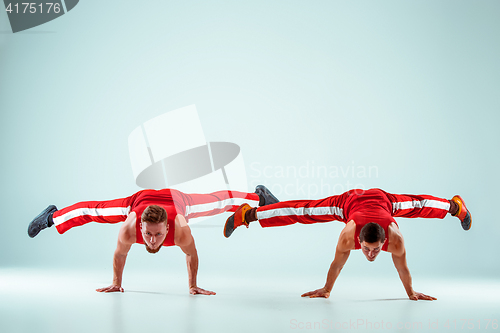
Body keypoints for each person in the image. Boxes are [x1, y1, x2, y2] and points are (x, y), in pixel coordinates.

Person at [223, 188, 471, 301]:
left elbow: (402, 269)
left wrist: (411, 293)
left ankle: (455, 205)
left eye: (375, 249)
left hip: (385, 201)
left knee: (417, 205)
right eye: (366, 248)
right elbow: (337, 264)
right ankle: (250, 213)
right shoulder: (347, 235)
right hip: (350, 202)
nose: (371, 254)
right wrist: (326, 288)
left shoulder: (395, 239)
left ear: (385, 241)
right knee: (305, 211)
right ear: (358, 241)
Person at [28, 185, 279, 295]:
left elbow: (191, 254)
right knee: (95, 211)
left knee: (219, 202)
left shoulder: (180, 228)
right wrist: (116, 282)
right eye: (147, 234)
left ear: (168, 227)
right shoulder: (129, 228)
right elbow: (120, 254)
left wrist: (192, 285)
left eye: (158, 234)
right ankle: (52, 217)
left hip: (176, 199)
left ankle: (260, 197)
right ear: (140, 226)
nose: (152, 240)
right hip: (140, 199)